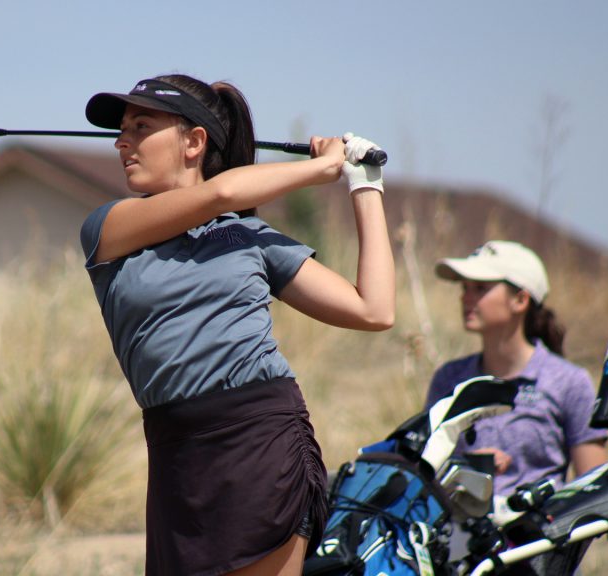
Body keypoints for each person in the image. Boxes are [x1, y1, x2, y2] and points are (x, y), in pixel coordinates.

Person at [79, 73, 395, 576]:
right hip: (175, 455)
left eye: (141, 126)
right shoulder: (108, 228)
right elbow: (221, 192)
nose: (122, 141)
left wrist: (364, 184)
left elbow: (374, 310)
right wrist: (318, 168)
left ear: (194, 141)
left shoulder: (246, 236)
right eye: (122, 129)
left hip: (262, 442)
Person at [425, 241, 608, 505]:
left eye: (480, 288)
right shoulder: (449, 379)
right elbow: (423, 475)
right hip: (455, 542)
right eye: (464, 288)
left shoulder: (569, 383)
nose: (465, 297)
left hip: (538, 543)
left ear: (520, 300)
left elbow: (594, 491)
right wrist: (462, 470)